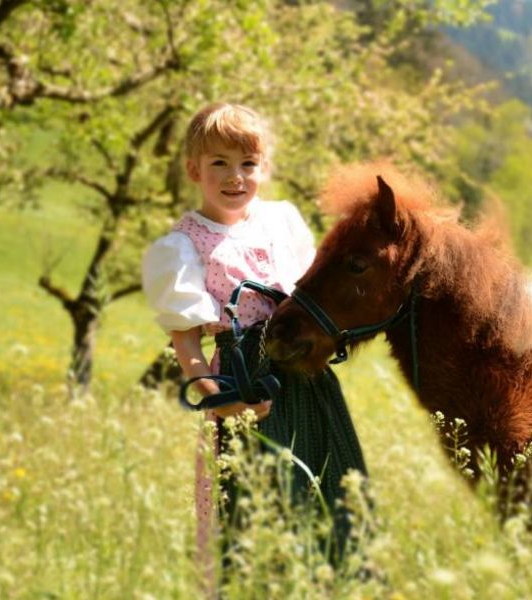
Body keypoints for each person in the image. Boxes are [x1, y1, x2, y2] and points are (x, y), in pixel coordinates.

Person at [140, 102, 367, 578]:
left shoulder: (281, 222)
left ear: (262, 168)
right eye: (219, 163)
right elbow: (188, 348)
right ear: (193, 169)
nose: (235, 177)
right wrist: (218, 401)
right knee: (251, 515)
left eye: (247, 164)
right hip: (244, 388)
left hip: (309, 382)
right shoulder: (183, 247)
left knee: (329, 504)